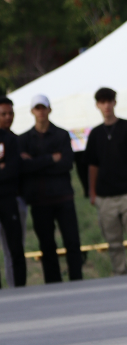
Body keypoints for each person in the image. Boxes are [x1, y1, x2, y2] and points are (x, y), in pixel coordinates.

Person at [19, 94, 83, 283]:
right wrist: (50, 159)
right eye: (37, 108)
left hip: (63, 196)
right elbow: (25, 167)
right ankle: (53, 283)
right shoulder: (25, 139)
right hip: (40, 199)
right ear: (32, 111)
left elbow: (66, 163)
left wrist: (36, 162)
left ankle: (76, 279)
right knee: (47, 245)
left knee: (72, 241)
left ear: (49, 109)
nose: (41, 112)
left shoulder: (61, 134)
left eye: (43, 108)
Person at [86, 88, 127, 275]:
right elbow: (92, 165)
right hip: (106, 196)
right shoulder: (96, 134)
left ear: (114, 102)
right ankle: (120, 273)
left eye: (109, 101)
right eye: (102, 102)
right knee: (113, 242)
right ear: (98, 105)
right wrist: (92, 192)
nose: (106, 105)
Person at [0, 96, 27, 286]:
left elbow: (13, 169)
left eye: (10, 113)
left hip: (10, 198)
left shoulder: (14, 140)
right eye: (3, 114)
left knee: (15, 248)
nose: (8, 117)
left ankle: (18, 287)